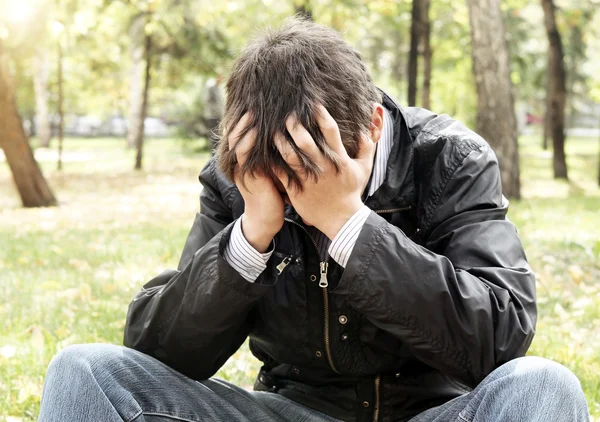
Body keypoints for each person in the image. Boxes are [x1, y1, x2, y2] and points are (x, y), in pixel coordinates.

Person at [38, 18, 590, 422]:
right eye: (279, 175)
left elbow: (501, 336)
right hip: (292, 412)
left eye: (315, 166)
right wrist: (250, 237)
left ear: (373, 125)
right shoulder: (236, 179)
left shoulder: (450, 159)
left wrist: (350, 225)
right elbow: (160, 354)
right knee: (83, 371)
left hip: (434, 414)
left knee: (542, 386)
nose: (297, 193)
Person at [203, 75, 224, 154]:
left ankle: (217, 157)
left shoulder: (218, 88)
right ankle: (213, 158)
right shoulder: (210, 86)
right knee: (214, 138)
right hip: (212, 116)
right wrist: (217, 110)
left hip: (219, 116)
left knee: (218, 139)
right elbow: (207, 100)